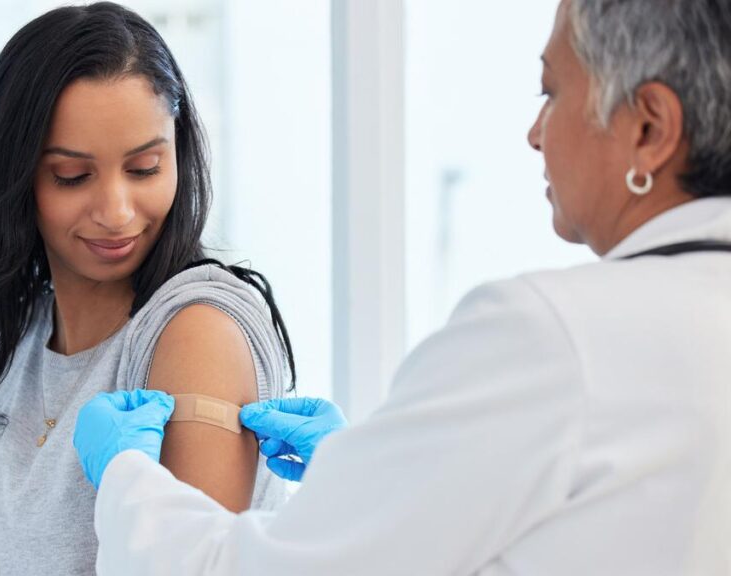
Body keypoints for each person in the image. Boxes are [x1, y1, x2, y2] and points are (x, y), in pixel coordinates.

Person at [73, 0, 731, 574]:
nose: (535, 135)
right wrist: (367, 477)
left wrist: (129, 480)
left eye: (551, 93)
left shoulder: (552, 335)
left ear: (649, 128)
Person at [0, 3, 296, 575]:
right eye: (72, 176)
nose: (116, 212)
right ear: (16, 177)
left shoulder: (197, 330)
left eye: (145, 168)